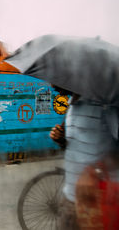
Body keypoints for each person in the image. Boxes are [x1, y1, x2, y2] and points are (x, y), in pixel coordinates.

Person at [49, 87, 119, 229]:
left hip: (99, 202)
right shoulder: (71, 103)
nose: (52, 85)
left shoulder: (107, 103)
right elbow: (76, 146)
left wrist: (95, 170)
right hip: (70, 199)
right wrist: (61, 139)